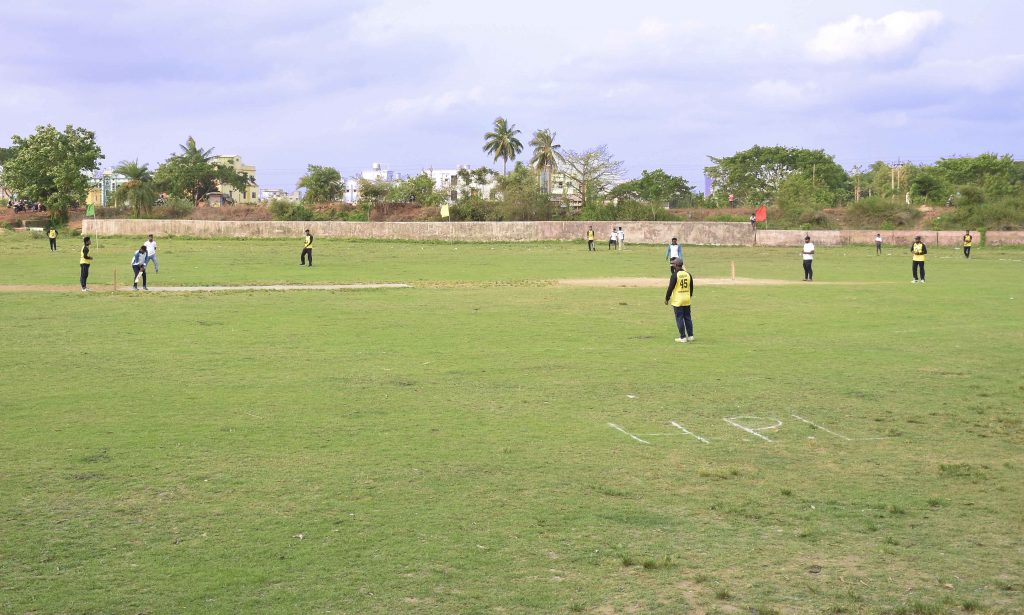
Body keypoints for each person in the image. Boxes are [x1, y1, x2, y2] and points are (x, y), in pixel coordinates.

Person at [664, 258, 694, 343]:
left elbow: (670, 288)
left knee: (679, 318)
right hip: (687, 299)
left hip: (678, 300)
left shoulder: (674, 275)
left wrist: (667, 298)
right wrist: (689, 295)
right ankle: (691, 336)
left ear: (677, 265)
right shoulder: (688, 274)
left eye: (674, 264)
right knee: (688, 317)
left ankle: (683, 337)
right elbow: (691, 287)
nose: (673, 266)